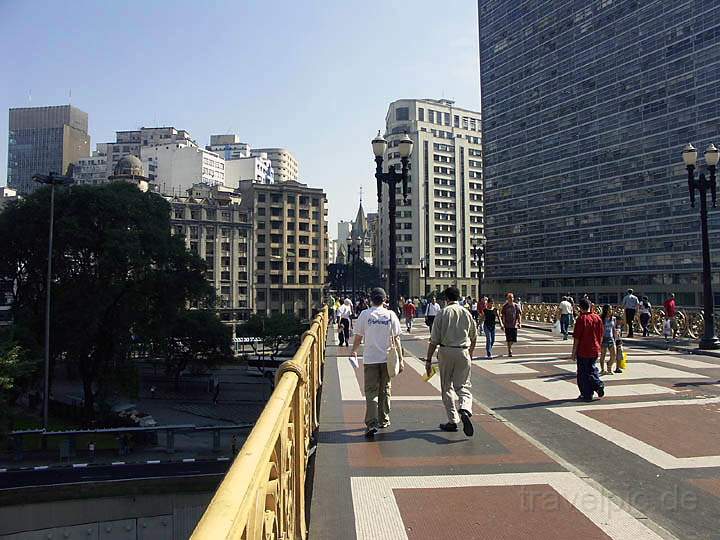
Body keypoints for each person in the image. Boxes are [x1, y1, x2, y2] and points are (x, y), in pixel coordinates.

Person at [425, 286, 477, 436]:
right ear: (459, 297)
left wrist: (428, 360)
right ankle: (465, 409)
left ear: (446, 299)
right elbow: (473, 337)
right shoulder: (466, 312)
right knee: (463, 386)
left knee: (447, 386)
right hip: (463, 351)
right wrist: (470, 353)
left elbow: (433, 340)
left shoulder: (442, 313)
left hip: (446, 351)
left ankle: (453, 420)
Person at [350, 288, 402, 437]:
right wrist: (401, 358)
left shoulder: (365, 315)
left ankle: (371, 422)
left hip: (370, 359)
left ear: (370, 300)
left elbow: (359, 337)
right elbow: (397, 338)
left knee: (371, 391)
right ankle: (383, 419)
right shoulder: (391, 315)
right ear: (385, 299)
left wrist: (354, 351)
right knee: (385, 388)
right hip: (387, 359)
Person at [572, 298, 605, 402]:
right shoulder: (597, 318)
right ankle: (597, 384)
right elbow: (601, 334)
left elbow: (577, 337)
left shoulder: (581, 319)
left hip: (583, 349)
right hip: (595, 348)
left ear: (580, 307)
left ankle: (587, 394)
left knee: (582, 373)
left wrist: (573, 352)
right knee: (592, 369)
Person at [501, 292, 522, 357]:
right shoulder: (505, 306)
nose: (510, 299)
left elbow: (519, 314)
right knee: (508, 338)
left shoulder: (516, 306)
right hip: (507, 325)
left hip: (514, 325)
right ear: (507, 298)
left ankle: (510, 346)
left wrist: (519, 323)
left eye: (512, 297)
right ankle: (509, 350)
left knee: (513, 339)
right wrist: (503, 324)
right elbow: (503, 315)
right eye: (509, 297)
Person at [599, 304, 617, 375]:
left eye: (611, 309)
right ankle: (602, 369)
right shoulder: (601, 318)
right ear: (605, 310)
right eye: (609, 309)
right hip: (603, 338)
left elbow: (613, 329)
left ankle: (609, 367)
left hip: (611, 338)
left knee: (613, 354)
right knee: (603, 355)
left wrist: (615, 338)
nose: (610, 311)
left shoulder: (613, 318)